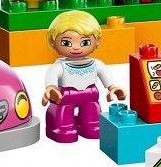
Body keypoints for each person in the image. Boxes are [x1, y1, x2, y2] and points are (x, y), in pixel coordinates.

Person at [42, 10, 126, 143]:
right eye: (67, 43)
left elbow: (105, 75)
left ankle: (90, 124)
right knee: (63, 113)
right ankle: (62, 127)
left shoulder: (96, 64)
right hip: (65, 96)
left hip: (90, 94)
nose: (76, 48)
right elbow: (51, 80)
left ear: (97, 41)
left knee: (92, 113)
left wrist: (112, 88)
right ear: (52, 41)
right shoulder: (59, 66)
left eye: (84, 42)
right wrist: (51, 89)